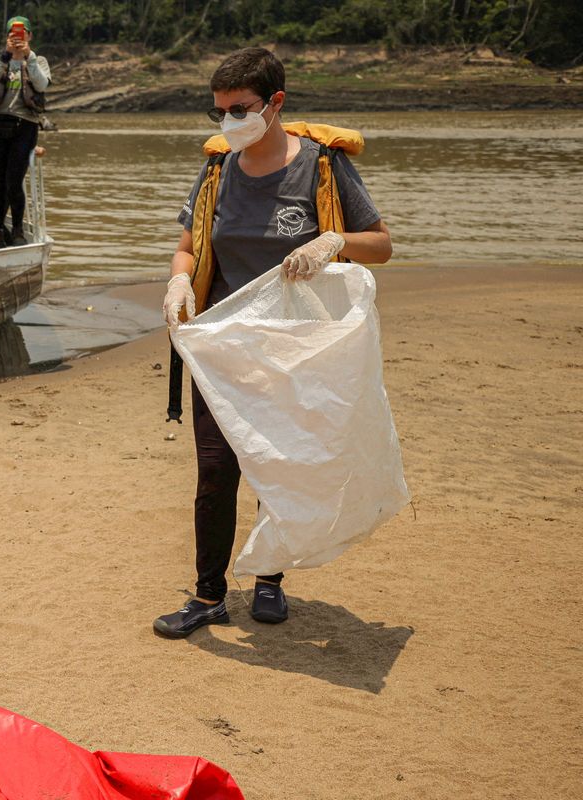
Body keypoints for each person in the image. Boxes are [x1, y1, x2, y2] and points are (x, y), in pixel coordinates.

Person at [155, 47, 392, 638]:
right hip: (223, 346)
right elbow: (188, 243)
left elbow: (381, 244)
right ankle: (208, 596)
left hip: (294, 352)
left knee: (277, 464)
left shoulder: (320, 167)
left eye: (240, 109)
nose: (229, 122)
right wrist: (179, 278)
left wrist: (332, 241)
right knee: (215, 471)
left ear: (276, 103)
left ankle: (269, 580)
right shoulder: (216, 171)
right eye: (219, 113)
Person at [0, 16, 51, 248]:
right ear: (7, 37)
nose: (18, 37)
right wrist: (6, 56)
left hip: (25, 126)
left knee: (14, 181)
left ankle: (18, 229)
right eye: (13, 34)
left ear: (29, 36)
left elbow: (41, 85)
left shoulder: (38, 60)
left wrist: (28, 56)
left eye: (22, 33)